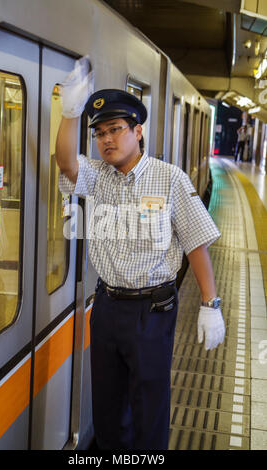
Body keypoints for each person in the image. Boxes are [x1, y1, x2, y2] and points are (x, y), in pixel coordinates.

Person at [55, 57, 225, 450]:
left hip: (153, 311)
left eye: (115, 130)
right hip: (108, 308)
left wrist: (209, 303)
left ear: (138, 131)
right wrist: (69, 112)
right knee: (108, 408)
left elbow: (195, 241)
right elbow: (66, 162)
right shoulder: (99, 176)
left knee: (149, 407)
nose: (107, 140)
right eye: (99, 133)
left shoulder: (169, 179)